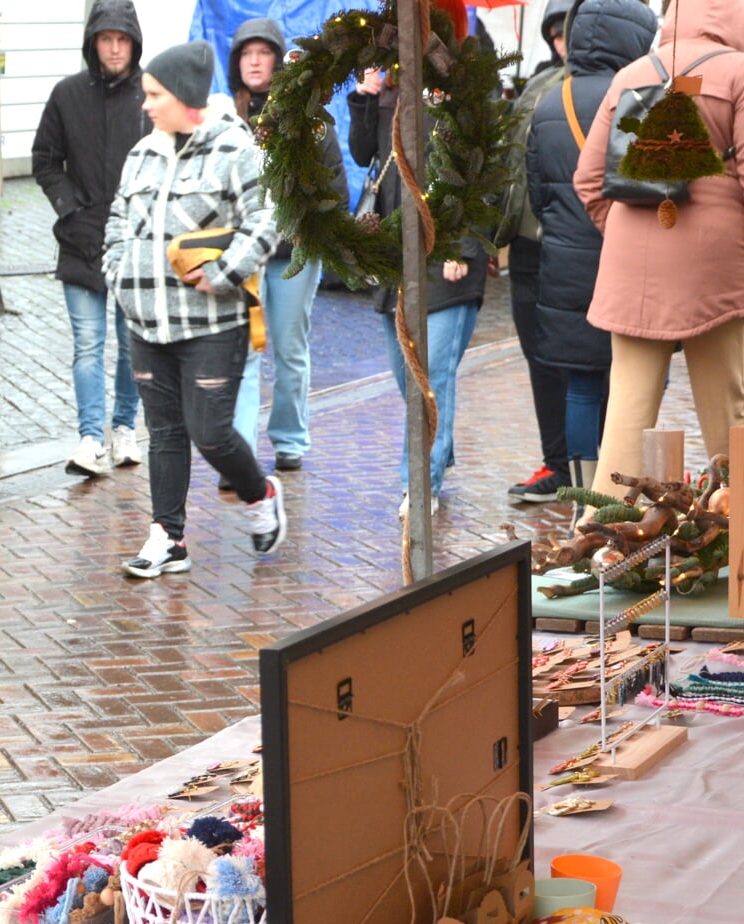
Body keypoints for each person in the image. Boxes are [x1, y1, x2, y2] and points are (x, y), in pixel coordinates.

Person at [574, 0, 744, 498]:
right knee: (729, 416)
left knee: (626, 412)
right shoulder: (740, 72)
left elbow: (587, 179)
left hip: (633, 271)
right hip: (715, 263)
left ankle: (602, 543)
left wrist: (625, 235)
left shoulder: (631, 73)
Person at [104, 41, 287, 577]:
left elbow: (267, 218)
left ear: (185, 96)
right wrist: (118, 275)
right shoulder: (142, 154)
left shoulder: (236, 149)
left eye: (155, 94)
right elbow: (116, 223)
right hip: (145, 324)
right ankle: (168, 538)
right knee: (163, 433)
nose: (146, 104)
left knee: (209, 433)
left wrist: (227, 272)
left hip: (212, 325)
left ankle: (260, 492)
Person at [527, 0, 657, 491]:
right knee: (641, 381)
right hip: (629, 261)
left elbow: (537, 191)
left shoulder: (548, 101)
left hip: (564, 265)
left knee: (581, 384)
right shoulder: (641, 95)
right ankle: (628, 484)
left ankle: (584, 490)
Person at [349, 66, 491, 516]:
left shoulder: (458, 89)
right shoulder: (389, 92)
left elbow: (487, 175)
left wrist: (465, 246)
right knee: (404, 372)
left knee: (430, 377)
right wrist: (365, 98)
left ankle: (421, 482)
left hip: (447, 255)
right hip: (397, 253)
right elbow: (361, 153)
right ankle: (437, 448)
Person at [33, 0, 151, 477]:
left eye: (123, 39)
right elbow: (44, 159)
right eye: (107, 39)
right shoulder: (67, 95)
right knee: (87, 343)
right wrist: (70, 209)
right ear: (93, 42)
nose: (115, 48)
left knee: (130, 345)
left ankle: (124, 429)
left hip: (134, 244)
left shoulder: (151, 95)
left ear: (134, 43)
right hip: (80, 240)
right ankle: (89, 436)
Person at [225, 17, 347, 475]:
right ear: (237, 62)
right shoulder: (228, 117)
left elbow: (333, 176)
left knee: (290, 349)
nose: (255, 62)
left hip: (295, 254)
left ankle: (290, 440)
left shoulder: (304, 111)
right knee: (247, 349)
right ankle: (239, 451)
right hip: (246, 256)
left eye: (263, 53)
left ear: (277, 59)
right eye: (246, 54)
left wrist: (311, 224)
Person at [505, 0, 578, 504]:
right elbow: (510, 167)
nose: (561, 43)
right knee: (539, 358)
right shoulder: (535, 87)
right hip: (528, 246)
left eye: (567, 32)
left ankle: (585, 464)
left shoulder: (622, 87)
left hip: (575, 244)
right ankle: (558, 462)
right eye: (555, 35)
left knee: (583, 363)